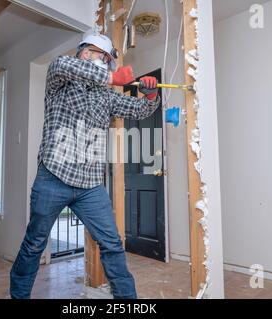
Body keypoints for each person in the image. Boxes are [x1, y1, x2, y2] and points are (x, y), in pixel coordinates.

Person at [10, 33, 160, 299]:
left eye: (104, 58)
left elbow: (139, 111)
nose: (99, 60)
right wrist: (114, 78)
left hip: (91, 185)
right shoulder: (61, 80)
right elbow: (61, 65)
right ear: (82, 52)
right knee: (34, 244)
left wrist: (149, 96)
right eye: (95, 53)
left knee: (112, 244)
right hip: (53, 176)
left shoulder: (106, 97)